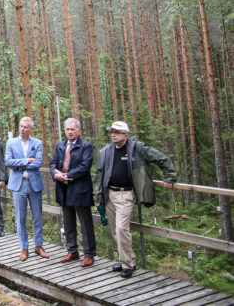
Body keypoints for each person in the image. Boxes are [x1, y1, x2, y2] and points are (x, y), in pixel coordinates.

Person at [94, 120, 176, 278]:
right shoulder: (107, 151)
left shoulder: (136, 148)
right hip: (109, 195)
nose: (113, 135)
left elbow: (162, 159)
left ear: (126, 134)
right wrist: (98, 196)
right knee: (114, 231)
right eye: (112, 132)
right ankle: (127, 259)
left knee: (121, 229)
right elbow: (99, 174)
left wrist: (169, 177)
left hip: (126, 195)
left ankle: (128, 265)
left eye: (117, 132)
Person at [49, 118, 96, 267]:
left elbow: (85, 166)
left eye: (72, 129)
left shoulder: (86, 146)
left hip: (80, 189)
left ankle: (89, 254)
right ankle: (72, 251)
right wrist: (54, 173)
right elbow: (53, 163)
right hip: (63, 189)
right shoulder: (60, 146)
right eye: (67, 129)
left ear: (79, 131)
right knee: (68, 222)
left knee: (85, 222)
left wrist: (67, 175)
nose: (69, 132)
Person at [6, 116, 49, 261]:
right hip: (18, 185)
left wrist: (18, 165)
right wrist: (26, 160)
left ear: (30, 128)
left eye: (26, 127)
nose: (23, 129)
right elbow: (8, 161)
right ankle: (24, 248)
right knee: (21, 217)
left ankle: (39, 245)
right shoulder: (11, 143)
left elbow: (37, 163)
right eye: (21, 126)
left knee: (37, 216)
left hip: (34, 183)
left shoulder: (37, 143)